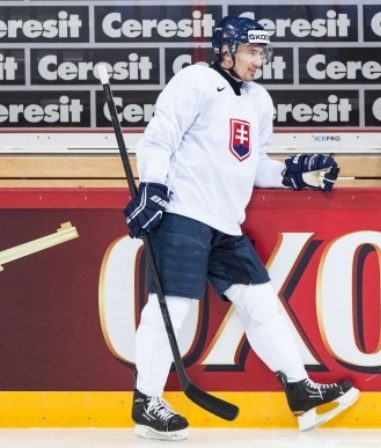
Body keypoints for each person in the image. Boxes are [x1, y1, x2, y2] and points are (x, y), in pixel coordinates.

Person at [125, 16, 358, 441]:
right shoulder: (195, 81)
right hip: (183, 212)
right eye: (251, 51)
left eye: (261, 53)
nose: (258, 60)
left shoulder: (259, 100)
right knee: (171, 308)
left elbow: (252, 164)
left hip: (225, 223)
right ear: (226, 50)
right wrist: (153, 187)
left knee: (261, 303)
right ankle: (147, 402)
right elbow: (159, 139)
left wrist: (292, 174)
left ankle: (300, 390)